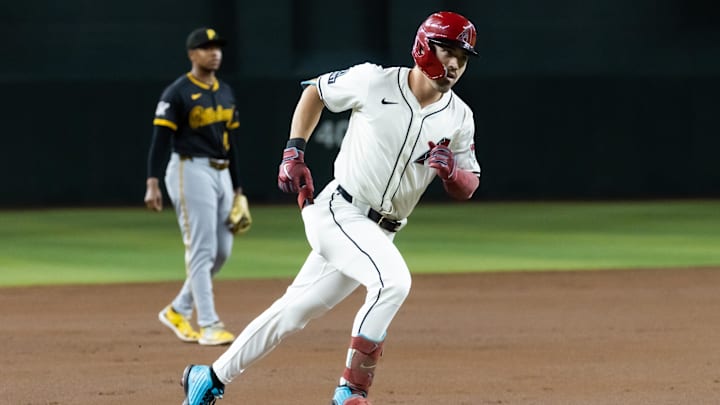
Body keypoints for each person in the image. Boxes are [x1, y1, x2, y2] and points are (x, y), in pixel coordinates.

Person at [180, 11, 481, 404]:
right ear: (424, 46)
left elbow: (469, 185)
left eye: (463, 56)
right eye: (448, 50)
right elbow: (316, 93)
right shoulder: (374, 81)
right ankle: (351, 390)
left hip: (381, 230)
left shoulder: (459, 117)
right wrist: (294, 151)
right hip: (341, 212)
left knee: (293, 311)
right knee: (392, 282)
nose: (455, 63)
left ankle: (209, 376)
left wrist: (453, 174)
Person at [144, 27, 252, 347]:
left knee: (221, 251)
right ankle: (208, 324)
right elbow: (159, 141)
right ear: (192, 55)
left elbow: (230, 145)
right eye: (206, 47)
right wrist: (152, 182)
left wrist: (238, 189)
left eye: (217, 47)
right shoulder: (176, 93)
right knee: (202, 250)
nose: (214, 52)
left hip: (221, 173)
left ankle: (179, 309)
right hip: (189, 169)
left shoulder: (226, 92)